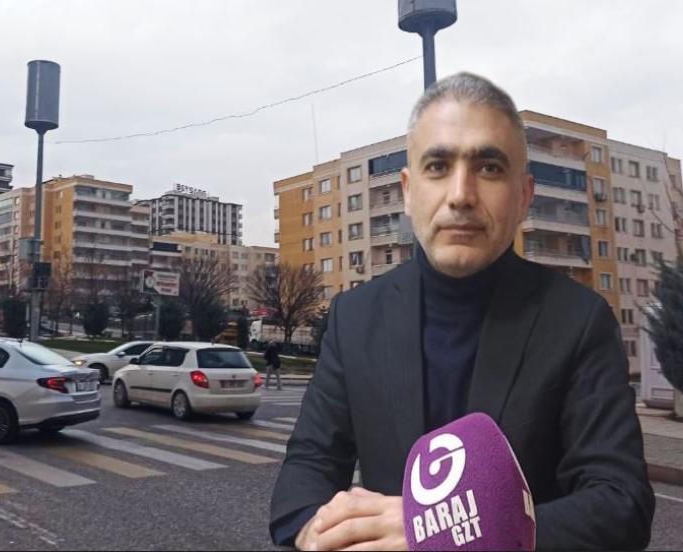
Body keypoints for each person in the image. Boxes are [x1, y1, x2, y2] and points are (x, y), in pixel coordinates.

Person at [270, 72, 654, 550]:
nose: (460, 194)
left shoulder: (579, 320)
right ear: (408, 191)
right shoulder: (355, 318)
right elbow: (306, 471)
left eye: (489, 168)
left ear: (524, 195)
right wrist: (318, 533)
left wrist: (439, 534)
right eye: (437, 166)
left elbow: (620, 504)